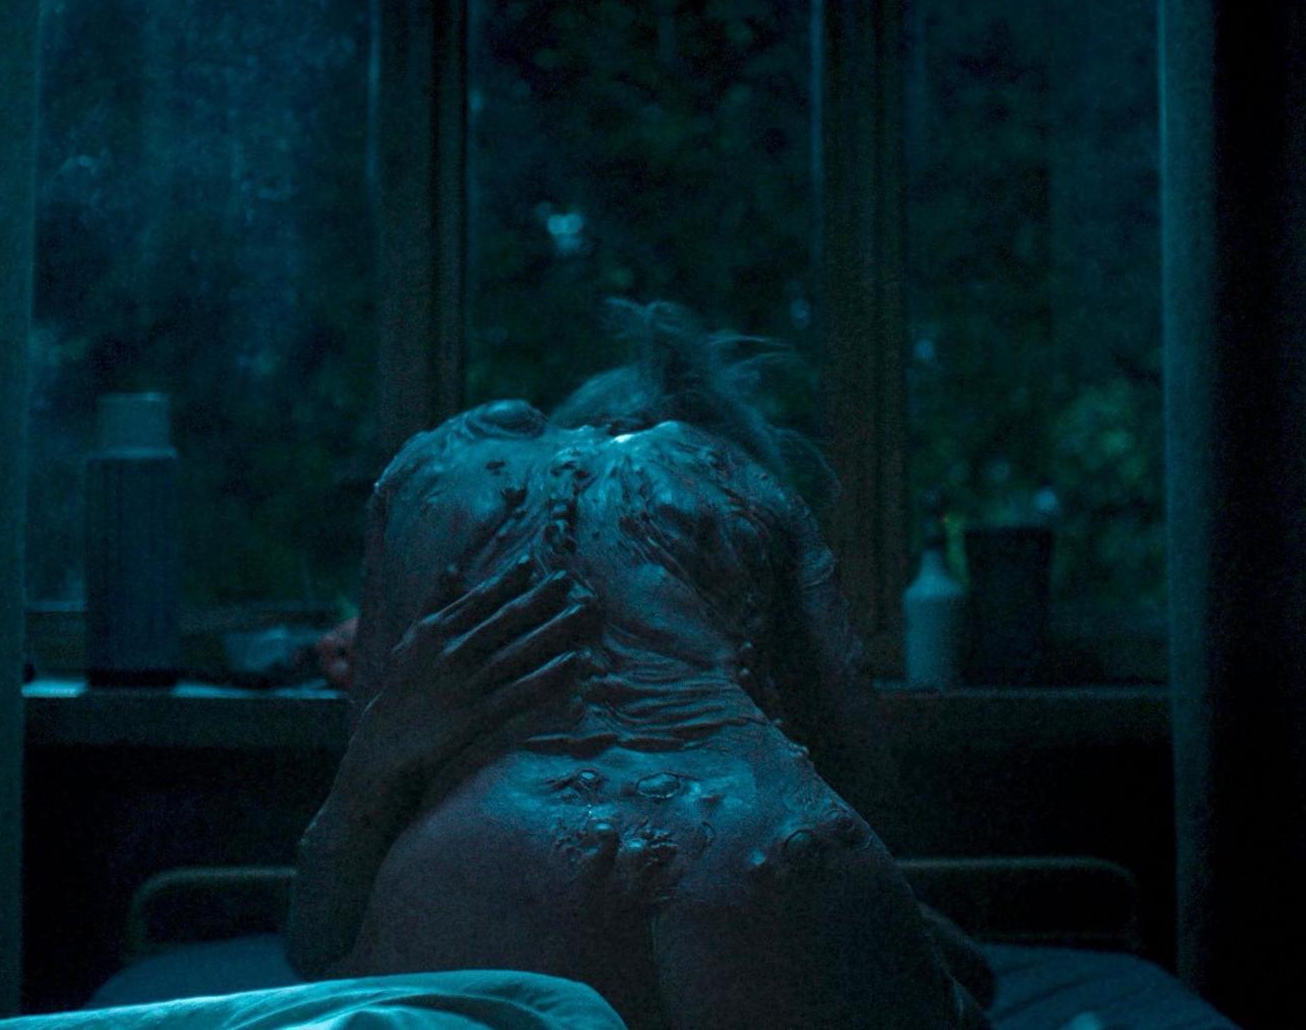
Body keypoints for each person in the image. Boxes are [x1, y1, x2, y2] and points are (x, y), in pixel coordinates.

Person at [288, 302, 991, 1029]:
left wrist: (375, 761)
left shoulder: (447, 510)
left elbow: (315, 942)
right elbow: (868, 797)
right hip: (769, 852)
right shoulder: (749, 494)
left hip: (486, 877)